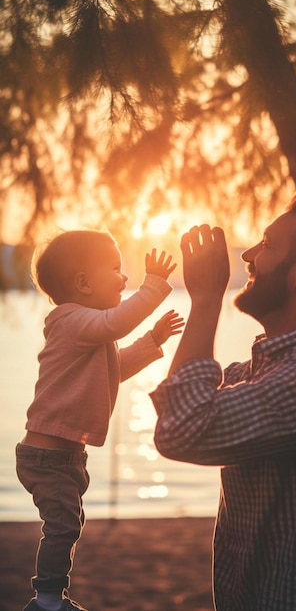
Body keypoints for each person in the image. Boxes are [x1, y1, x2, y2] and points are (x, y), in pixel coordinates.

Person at [150, 187, 296, 611]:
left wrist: (205, 300)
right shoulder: (258, 371)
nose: (249, 255)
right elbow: (193, 404)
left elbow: (182, 430)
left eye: (268, 243)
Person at [16, 229, 184, 611]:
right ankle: (46, 601)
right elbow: (117, 323)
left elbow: (114, 369)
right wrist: (153, 286)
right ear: (83, 283)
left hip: (64, 458)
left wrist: (152, 342)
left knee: (67, 525)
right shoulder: (71, 321)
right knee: (62, 527)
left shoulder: (89, 331)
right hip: (47, 458)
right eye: (115, 268)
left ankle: (52, 596)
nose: (123, 278)